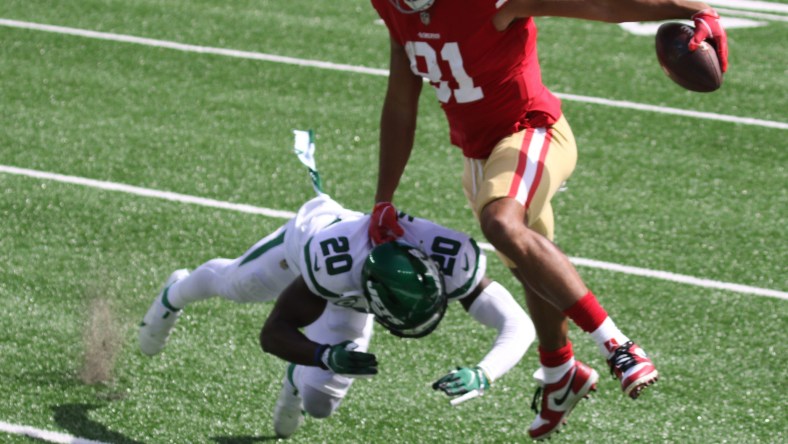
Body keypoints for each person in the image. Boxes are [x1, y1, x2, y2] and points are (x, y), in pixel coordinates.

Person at [368, 0, 728, 440]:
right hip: (480, 158)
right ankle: (561, 371)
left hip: (531, 130)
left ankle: (618, 346)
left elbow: (600, 4)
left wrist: (692, 8)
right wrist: (383, 198)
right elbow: (401, 101)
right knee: (529, 263)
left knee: (501, 222)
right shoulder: (394, 7)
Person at [138, 136, 537, 438]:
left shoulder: (449, 258)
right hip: (303, 247)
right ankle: (175, 294)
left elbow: (519, 325)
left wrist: (484, 373)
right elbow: (272, 332)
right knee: (235, 285)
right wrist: (325, 353)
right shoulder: (329, 266)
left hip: (357, 283)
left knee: (322, 404)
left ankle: (298, 378)